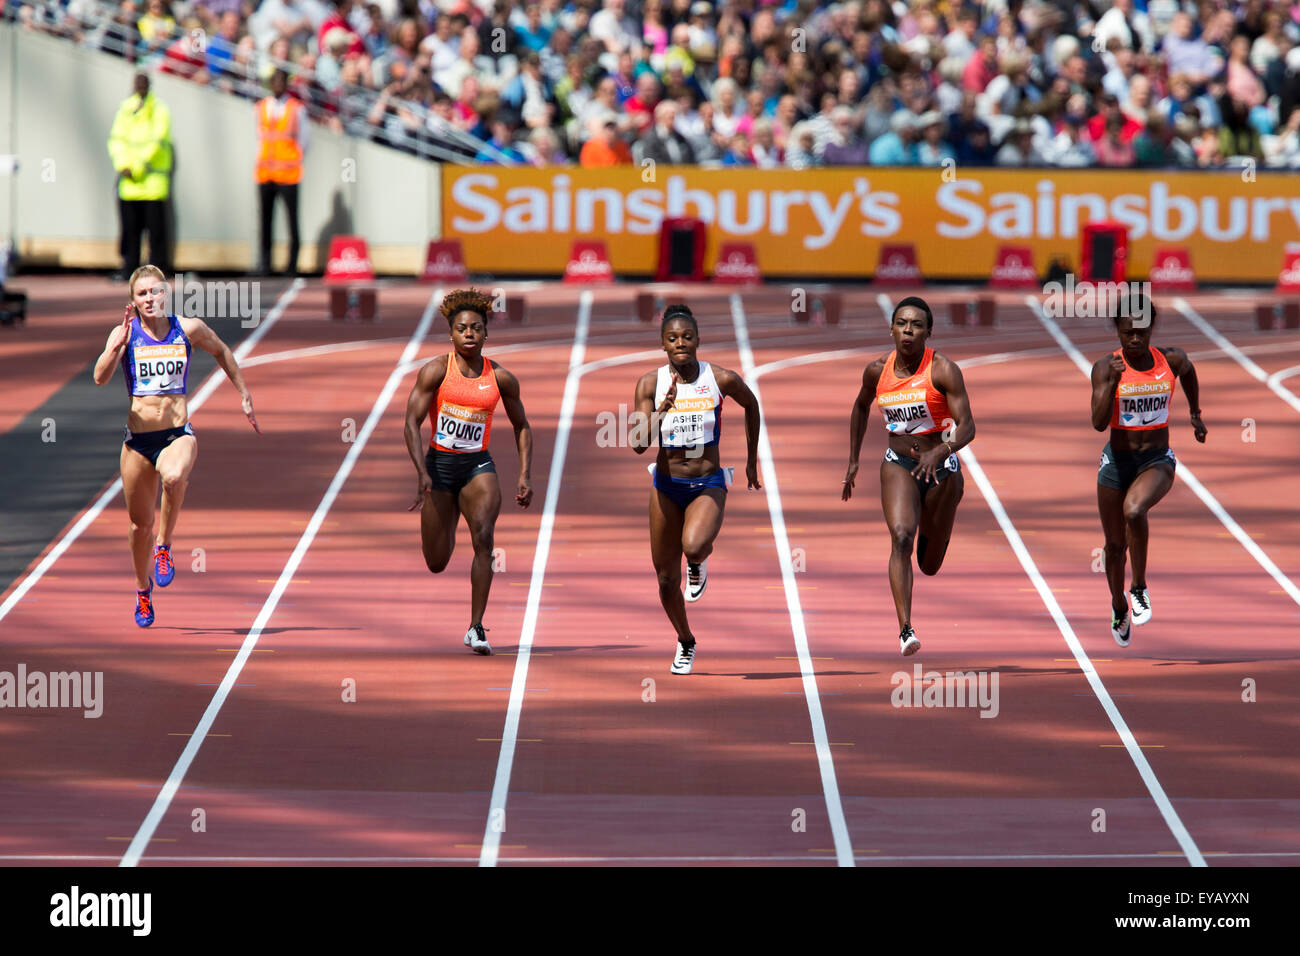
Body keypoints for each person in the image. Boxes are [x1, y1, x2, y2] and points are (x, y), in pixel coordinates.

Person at [92, 265, 260, 627]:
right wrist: (117, 347)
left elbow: (222, 351)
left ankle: (164, 546)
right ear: (133, 301)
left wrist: (244, 393)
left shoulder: (188, 328)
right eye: (141, 294)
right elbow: (100, 377)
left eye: (154, 292)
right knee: (139, 526)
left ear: (165, 294)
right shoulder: (124, 334)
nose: (149, 299)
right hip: (138, 442)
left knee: (174, 475)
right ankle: (142, 591)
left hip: (176, 435)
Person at [631, 304, 761, 675]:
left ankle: (699, 562)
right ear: (662, 344)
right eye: (672, 338)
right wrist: (662, 411)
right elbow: (638, 444)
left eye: (687, 336)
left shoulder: (720, 379)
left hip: (708, 482)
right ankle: (686, 640)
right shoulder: (649, 384)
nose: (680, 343)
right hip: (667, 485)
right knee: (666, 580)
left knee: (693, 545)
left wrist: (751, 460)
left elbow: (752, 406)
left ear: (698, 340)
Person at [842, 296, 976, 656]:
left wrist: (941, 450)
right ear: (891, 328)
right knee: (901, 537)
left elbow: (967, 427)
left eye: (916, 325)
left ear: (928, 332)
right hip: (898, 464)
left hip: (941, 469)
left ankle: (941, 529)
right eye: (902, 323)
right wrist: (854, 460)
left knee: (929, 565)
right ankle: (905, 629)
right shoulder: (876, 371)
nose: (908, 331)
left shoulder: (944, 369)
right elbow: (859, 406)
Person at [403, 289, 534, 656]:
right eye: (462, 328)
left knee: (485, 538)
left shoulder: (501, 378)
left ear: (486, 332)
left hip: (478, 466)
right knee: (436, 561)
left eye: (476, 328)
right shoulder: (434, 371)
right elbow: (411, 424)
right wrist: (421, 473)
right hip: (439, 468)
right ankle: (448, 524)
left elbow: (523, 426)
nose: (469, 334)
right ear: (451, 334)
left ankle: (476, 626)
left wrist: (524, 475)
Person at [1090, 295, 1206, 647]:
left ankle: (1138, 588)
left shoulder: (1170, 359)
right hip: (1117, 461)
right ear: (1118, 332)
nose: (1136, 340)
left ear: (1151, 328)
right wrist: (1111, 384)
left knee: (1135, 510)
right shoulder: (1104, 367)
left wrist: (1195, 414)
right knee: (1113, 547)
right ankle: (1117, 604)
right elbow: (1097, 424)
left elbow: (1188, 371)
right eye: (1128, 334)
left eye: (1142, 332)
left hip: (1156, 459)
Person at [107, 73, 173, 282]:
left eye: (143, 83)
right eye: (137, 83)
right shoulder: (125, 109)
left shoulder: (160, 110)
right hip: (129, 184)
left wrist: (136, 167)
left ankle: (158, 272)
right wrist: (122, 164)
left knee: (156, 233)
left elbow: (158, 140)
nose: (140, 86)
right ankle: (129, 269)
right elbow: (116, 139)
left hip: (152, 183)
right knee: (130, 231)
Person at [254, 70, 307, 276]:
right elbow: (259, 137)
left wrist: (294, 159)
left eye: (281, 81)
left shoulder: (296, 108)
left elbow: (304, 139)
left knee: (292, 219)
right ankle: (265, 263)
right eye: (274, 81)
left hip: (288, 173)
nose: (277, 85)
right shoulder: (261, 107)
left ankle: (292, 264)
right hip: (266, 172)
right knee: (265, 220)